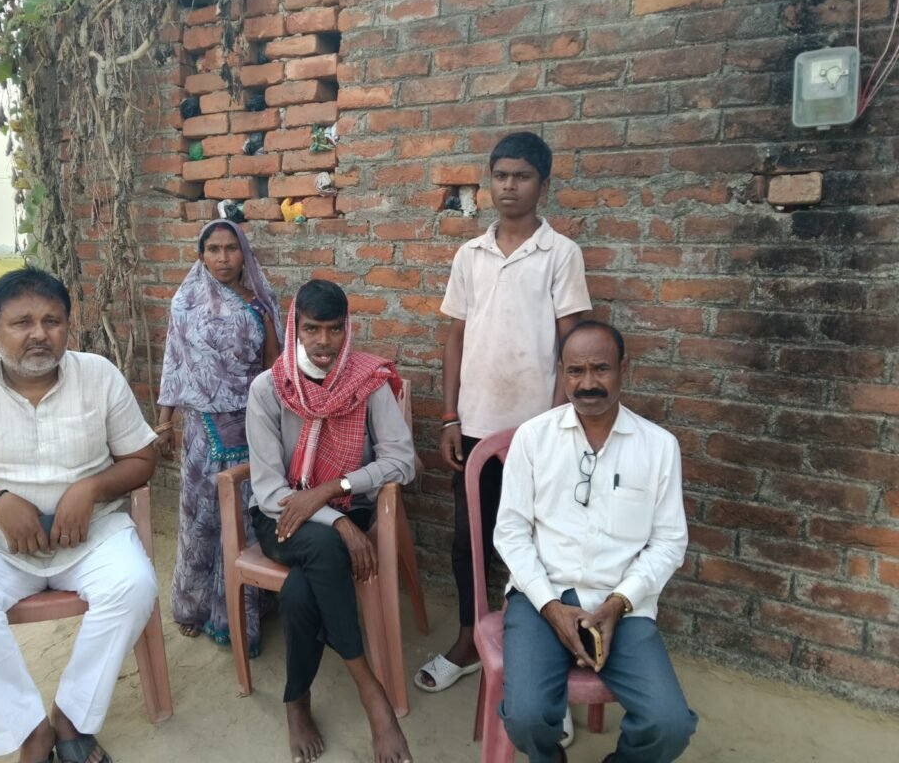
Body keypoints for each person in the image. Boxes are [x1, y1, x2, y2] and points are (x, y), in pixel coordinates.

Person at [0, 268, 159, 763]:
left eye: (52, 321)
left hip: (91, 535)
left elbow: (141, 458)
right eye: (22, 322)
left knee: (133, 586)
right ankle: (31, 732)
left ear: (69, 325)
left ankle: (70, 717)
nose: (39, 334)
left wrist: (90, 488)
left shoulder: (99, 376)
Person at [416, 130, 591, 738]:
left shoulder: (560, 253)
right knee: (470, 540)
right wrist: (450, 417)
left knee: (542, 548)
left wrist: (555, 426)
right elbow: (455, 339)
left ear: (543, 184)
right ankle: (469, 640)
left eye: (522, 176)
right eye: (500, 176)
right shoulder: (471, 255)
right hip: (475, 428)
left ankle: (544, 673)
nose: (509, 186)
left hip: (538, 433)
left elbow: (573, 344)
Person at [494, 321, 698, 763]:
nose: (588, 383)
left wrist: (619, 603)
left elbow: (669, 542)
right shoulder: (533, 438)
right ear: (561, 373)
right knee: (526, 718)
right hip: (542, 596)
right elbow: (510, 532)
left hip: (622, 605)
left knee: (669, 726)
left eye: (601, 369)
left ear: (625, 368)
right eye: (575, 371)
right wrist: (550, 605)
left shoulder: (658, 446)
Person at [245, 279, 415, 763]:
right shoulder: (269, 388)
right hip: (280, 517)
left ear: (347, 329)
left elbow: (403, 462)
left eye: (334, 329)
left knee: (301, 590)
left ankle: (296, 701)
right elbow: (269, 491)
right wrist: (336, 522)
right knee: (325, 545)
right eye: (312, 329)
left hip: (347, 506)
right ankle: (370, 691)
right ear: (294, 329)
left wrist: (331, 490)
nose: (324, 342)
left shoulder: (368, 381)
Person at [156, 219, 282, 654]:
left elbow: (273, 365)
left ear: (244, 254)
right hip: (203, 429)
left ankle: (246, 608)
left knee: (246, 518)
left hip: (252, 423)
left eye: (231, 248)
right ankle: (193, 607)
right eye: (213, 249)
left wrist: (277, 422)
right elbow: (173, 362)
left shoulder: (260, 301)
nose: (223, 258)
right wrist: (164, 422)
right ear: (201, 255)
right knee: (201, 519)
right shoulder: (185, 303)